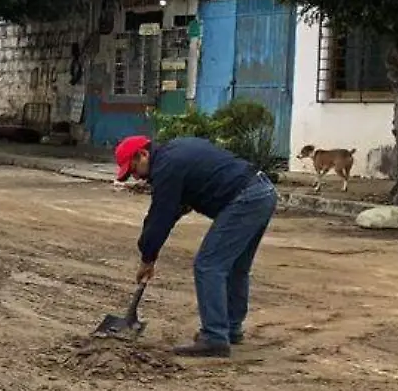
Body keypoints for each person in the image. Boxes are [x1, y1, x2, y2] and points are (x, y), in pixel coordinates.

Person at [115, 134, 278, 358]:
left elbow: (160, 215)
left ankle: (214, 337)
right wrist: (151, 254)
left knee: (208, 265)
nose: (137, 177)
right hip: (262, 192)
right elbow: (174, 209)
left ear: (143, 154)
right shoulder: (175, 152)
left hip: (245, 198)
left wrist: (147, 257)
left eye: (134, 170)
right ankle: (230, 328)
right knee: (235, 267)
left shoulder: (166, 167)